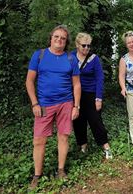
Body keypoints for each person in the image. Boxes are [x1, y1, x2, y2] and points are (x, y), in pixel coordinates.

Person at [25, 25, 81, 189]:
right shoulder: (39, 55)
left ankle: (61, 170)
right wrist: (34, 103)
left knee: (63, 136)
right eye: (56, 37)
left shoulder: (71, 59)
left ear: (66, 42)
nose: (59, 40)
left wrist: (76, 106)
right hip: (44, 104)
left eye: (63, 38)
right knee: (39, 140)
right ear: (51, 38)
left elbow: (77, 85)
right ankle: (37, 175)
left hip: (66, 103)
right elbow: (29, 81)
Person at [72, 32, 112, 159]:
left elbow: (99, 78)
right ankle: (83, 146)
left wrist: (98, 98)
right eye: (83, 45)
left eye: (88, 46)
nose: (86, 48)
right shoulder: (70, 57)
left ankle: (106, 146)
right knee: (78, 121)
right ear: (77, 45)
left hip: (91, 94)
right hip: (75, 94)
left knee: (95, 120)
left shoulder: (94, 58)